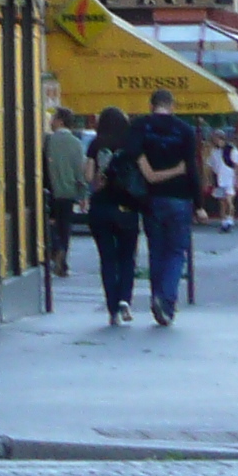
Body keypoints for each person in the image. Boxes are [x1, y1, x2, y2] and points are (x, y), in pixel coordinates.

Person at [133, 89, 201, 325]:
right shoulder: (184, 130)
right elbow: (191, 167)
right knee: (176, 252)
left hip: (150, 199)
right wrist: (200, 204)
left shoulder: (140, 126)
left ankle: (157, 297)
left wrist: (151, 176)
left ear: (151, 105)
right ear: (172, 105)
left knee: (157, 251)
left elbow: (135, 158)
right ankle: (166, 300)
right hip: (180, 197)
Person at [84, 107, 145, 324]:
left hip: (101, 209)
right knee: (127, 258)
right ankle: (124, 300)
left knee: (107, 259)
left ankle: (112, 309)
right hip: (127, 208)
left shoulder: (95, 144)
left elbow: (88, 176)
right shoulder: (131, 145)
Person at [42, 110, 90, 275]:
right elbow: (80, 171)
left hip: (50, 190)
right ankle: (63, 262)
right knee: (65, 227)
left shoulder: (47, 140)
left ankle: (56, 249)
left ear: (61, 121)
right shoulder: (76, 143)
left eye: (54, 118)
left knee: (49, 224)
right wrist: (83, 195)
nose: (51, 122)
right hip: (69, 192)